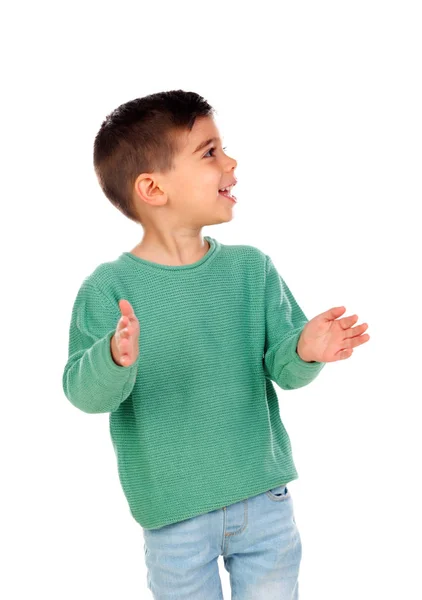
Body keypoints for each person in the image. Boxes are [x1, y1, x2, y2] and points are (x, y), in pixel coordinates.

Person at [62, 90, 370, 600]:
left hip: (264, 498)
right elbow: (83, 394)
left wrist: (307, 350)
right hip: (173, 513)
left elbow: (284, 369)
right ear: (152, 188)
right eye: (210, 152)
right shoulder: (108, 289)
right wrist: (113, 359)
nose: (231, 162)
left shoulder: (252, 269)